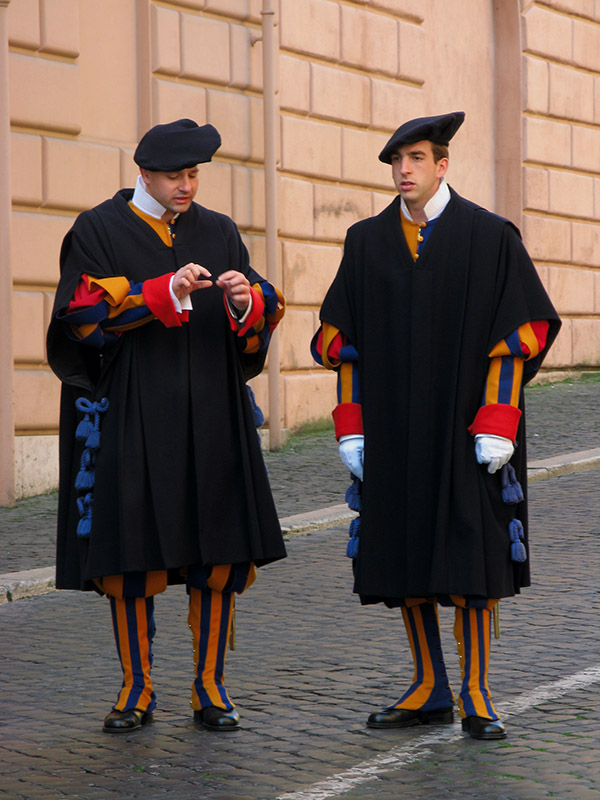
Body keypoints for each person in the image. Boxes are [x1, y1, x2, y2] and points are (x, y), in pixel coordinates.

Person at [312, 112, 560, 740]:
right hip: (393, 433)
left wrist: (498, 421)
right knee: (404, 558)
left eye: (417, 159)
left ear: (442, 165)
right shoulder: (365, 242)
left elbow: (520, 332)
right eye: (396, 162)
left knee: (469, 558)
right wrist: (352, 427)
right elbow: (344, 343)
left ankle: (476, 691)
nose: (404, 171)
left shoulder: (489, 237)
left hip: (467, 432)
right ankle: (429, 685)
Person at [47, 118, 286, 734]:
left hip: (212, 409)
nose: (187, 185)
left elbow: (262, 310)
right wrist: (160, 291)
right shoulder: (98, 227)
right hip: (133, 413)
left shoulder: (219, 230)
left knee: (218, 552)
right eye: (176, 175)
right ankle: (136, 688)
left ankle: (210, 686)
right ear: (145, 173)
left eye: (194, 174)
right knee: (132, 556)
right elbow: (81, 313)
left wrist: (245, 301)